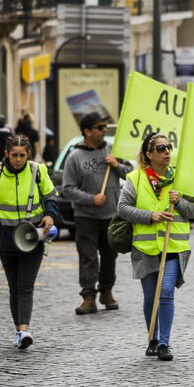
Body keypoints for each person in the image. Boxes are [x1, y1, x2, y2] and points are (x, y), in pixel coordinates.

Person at [0, 134, 58, 349]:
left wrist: (49, 214)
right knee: (14, 287)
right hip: (5, 235)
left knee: (25, 286)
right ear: (6, 154)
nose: (18, 159)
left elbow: (50, 195)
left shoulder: (38, 170)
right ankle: (19, 330)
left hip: (32, 234)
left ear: (28, 154)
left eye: (23, 155)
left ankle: (25, 331)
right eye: (15, 155)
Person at [117, 133, 194, 361]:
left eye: (168, 147)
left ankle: (164, 343)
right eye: (161, 148)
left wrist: (180, 201)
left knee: (165, 293)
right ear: (148, 154)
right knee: (150, 296)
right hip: (145, 249)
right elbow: (122, 208)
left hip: (174, 246)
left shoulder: (182, 178)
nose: (166, 152)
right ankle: (152, 338)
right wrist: (150, 215)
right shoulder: (135, 178)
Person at [61, 112, 132, 315]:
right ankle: (88, 296)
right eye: (100, 128)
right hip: (86, 217)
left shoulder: (112, 150)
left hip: (111, 216)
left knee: (110, 256)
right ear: (87, 131)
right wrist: (91, 199)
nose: (103, 131)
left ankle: (106, 291)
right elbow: (68, 188)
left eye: (104, 127)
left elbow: (131, 174)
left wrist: (117, 165)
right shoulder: (74, 157)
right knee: (88, 258)